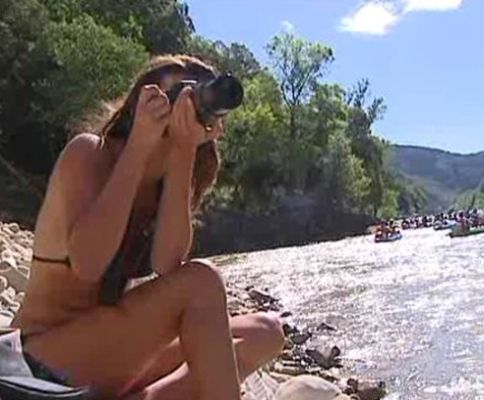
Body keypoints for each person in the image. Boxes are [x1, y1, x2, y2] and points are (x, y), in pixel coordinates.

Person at [10, 55, 284, 400]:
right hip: (37, 365)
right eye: (177, 94)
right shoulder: (90, 154)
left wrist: (184, 149)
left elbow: (167, 266)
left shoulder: (170, 180)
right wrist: (138, 147)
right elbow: (88, 263)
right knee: (202, 281)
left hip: (105, 356)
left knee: (265, 333)